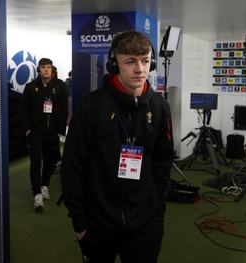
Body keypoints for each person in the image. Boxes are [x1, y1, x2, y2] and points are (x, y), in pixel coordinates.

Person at [60, 31, 174, 262]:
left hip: (145, 223)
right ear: (114, 63)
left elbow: (163, 162)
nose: (139, 69)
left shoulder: (160, 108)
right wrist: (80, 223)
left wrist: (158, 212)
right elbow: (71, 166)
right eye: (130, 61)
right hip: (98, 223)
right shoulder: (91, 106)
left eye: (144, 60)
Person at [21, 58, 68, 210]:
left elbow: (63, 110)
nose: (46, 70)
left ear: (52, 69)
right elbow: (24, 110)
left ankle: (44, 185)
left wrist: (60, 131)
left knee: (49, 161)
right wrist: (27, 129)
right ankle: (37, 195)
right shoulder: (30, 87)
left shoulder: (60, 86)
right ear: (39, 70)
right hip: (35, 132)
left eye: (48, 67)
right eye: (43, 67)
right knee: (35, 163)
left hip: (52, 133)